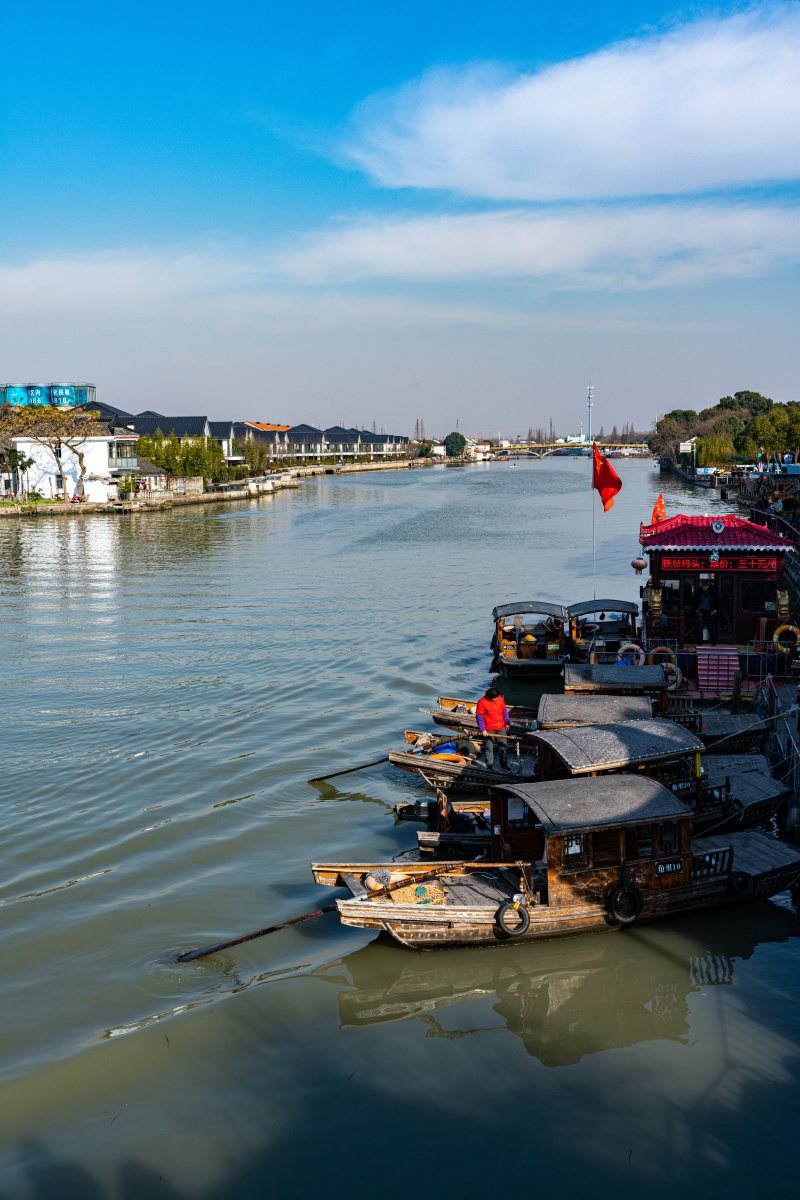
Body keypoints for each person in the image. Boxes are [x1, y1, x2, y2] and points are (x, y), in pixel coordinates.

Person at [476, 687, 510, 770]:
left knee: (503, 746)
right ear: (489, 697)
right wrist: (483, 729)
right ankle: (489, 766)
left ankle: (503, 765)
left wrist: (507, 723)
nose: (496, 698)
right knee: (489, 748)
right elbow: (479, 717)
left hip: (501, 727)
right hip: (488, 728)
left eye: (497, 697)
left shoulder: (500, 699)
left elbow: (505, 711)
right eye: (494, 698)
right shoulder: (481, 702)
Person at [695, 580, 719, 645]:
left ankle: (713, 644)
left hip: (709, 612)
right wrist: (696, 609)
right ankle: (699, 644)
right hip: (701, 611)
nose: (704, 587)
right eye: (703, 586)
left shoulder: (713, 593)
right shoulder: (698, 592)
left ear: (708, 586)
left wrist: (715, 610)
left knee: (711, 629)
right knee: (699, 629)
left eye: (705, 585)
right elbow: (694, 601)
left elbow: (718, 602)